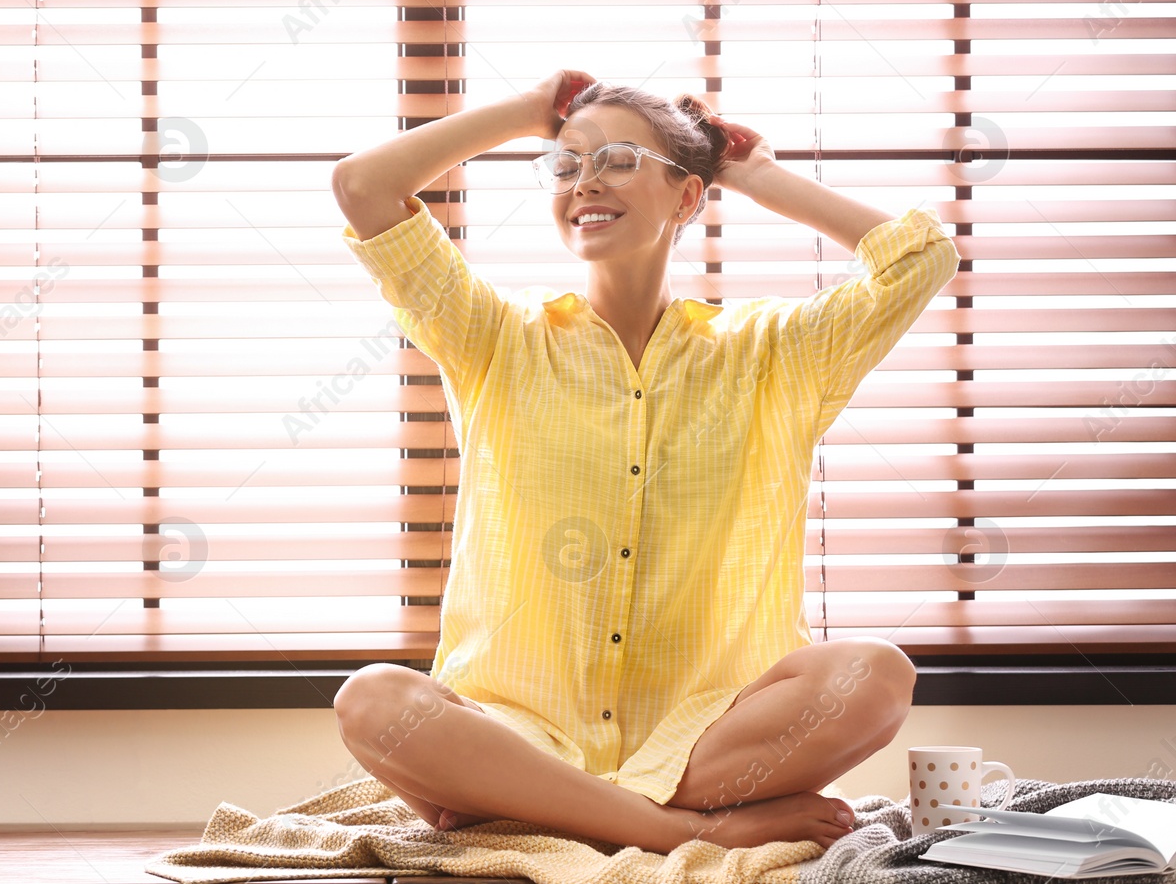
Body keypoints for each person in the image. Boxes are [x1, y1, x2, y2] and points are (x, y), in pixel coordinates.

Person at [328, 69, 962, 855]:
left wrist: (755, 174)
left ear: (688, 197)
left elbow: (921, 256)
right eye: (566, 164)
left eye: (618, 159)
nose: (583, 181)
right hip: (519, 729)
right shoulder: (491, 335)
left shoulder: (778, 352)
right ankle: (670, 827)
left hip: (704, 738)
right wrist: (531, 111)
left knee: (877, 674)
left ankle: (533, 805)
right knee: (373, 700)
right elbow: (363, 185)